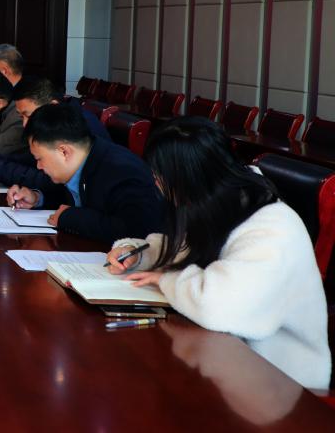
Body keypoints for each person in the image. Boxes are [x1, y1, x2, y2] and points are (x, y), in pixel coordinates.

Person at [106, 118, 330, 390]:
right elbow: (188, 250)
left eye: (160, 176)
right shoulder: (223, 202)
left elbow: (217, 307)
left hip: (281, 383)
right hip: (230, 362)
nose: (157, 184)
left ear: (188, 175)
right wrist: (139, 254)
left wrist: (164, 279)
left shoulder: (272, 227)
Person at [7, 102, 164, 244]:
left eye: (40, 159)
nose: (38, 166)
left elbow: (137, 230)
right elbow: (69, 197)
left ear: (64, 152)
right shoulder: (83, 160)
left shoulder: (122, 170)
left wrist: (70, 218)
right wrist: (36, 198)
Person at [0, 76, 109, 182]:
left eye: (28, 115)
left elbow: (51, 181)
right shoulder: (55, 122)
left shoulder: (78, 127)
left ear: (52, 106)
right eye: (21, 117)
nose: (25, 124)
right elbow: (27, 158)